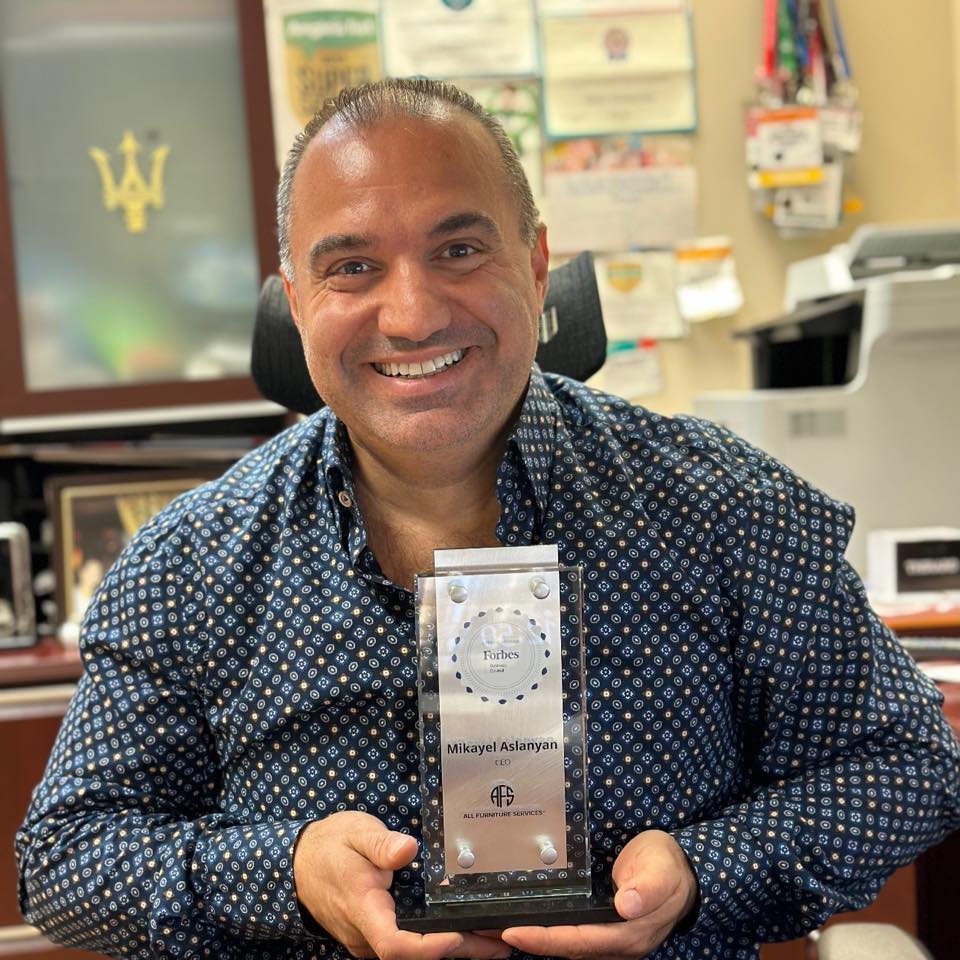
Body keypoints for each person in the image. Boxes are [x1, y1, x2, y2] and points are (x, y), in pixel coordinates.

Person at [17, 78, 960, 960]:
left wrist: (703, 872)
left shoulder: (724, 508)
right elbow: (66, 854)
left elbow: (908, 761)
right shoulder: (190, 564)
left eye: (459, 251)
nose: (412, 314)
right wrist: (286, 873)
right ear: (296, 302)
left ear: (537, 264)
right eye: (352, 267)